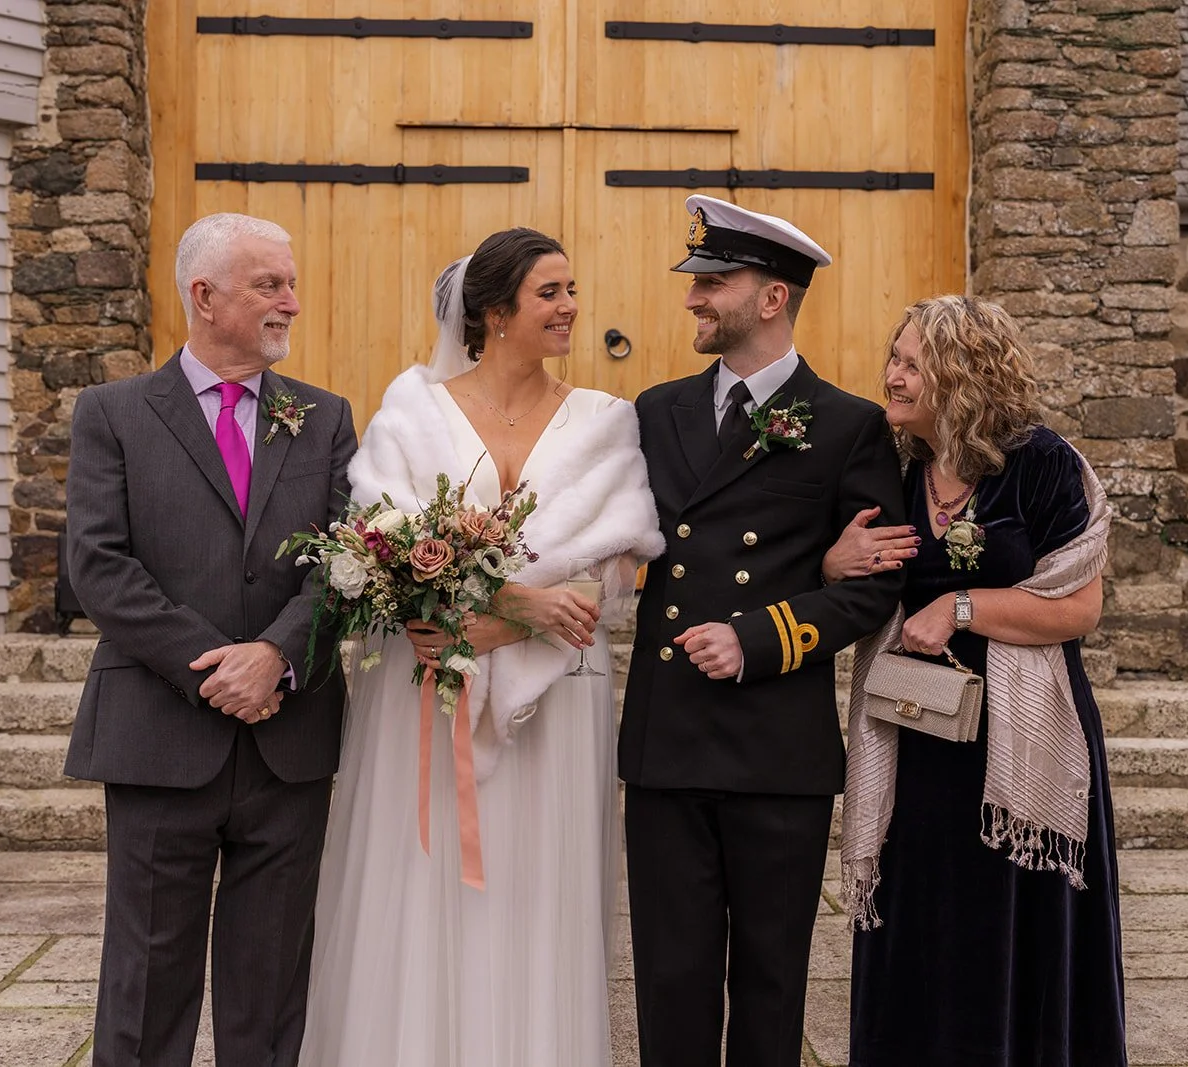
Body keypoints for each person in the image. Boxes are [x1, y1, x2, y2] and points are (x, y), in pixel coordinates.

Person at [300, 229, 665, 1066]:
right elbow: (377, 543)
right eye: (550, 293)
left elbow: (618, 563)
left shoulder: (607, 420)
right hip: (431, 687)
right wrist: (494, 607)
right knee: (424, 886)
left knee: (540, 892)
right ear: (495, 312)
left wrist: (522, 618)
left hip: (558, 697)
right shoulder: (414, 408)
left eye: (572, 289)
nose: (571, 307)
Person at [620, 195, 908, 1067]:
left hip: (774, 744)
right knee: (669, 976)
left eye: (714, 281)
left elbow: (876, 587)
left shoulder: (849, 424)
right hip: (667, 736)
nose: (694, 298)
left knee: (772, 978)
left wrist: (760, 634)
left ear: (772, 297)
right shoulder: (655, 409)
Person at [64, 212, 358, 1065]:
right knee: (148, 972)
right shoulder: (113, 413)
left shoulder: (326, 417)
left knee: (270, 979)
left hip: (288, 738)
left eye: (290, 283)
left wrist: (275, 655)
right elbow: (99, 566)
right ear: (205, 295)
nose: (292, 303)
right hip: (160, 732)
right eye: (270, 284)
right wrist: (214, 669)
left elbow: (349, 557)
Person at [835, 295, 1128, 1066]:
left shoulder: (1040, 464)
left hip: (1019, 747)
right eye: (893, 358)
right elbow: (852, 572)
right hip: (917, 740)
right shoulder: (893, 467)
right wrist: (835, 563)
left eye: (910, 363)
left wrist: (960, 606)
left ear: (960, 375)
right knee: (920, 923)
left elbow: (1078, 606)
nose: (890, 376)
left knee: (1010, 929)